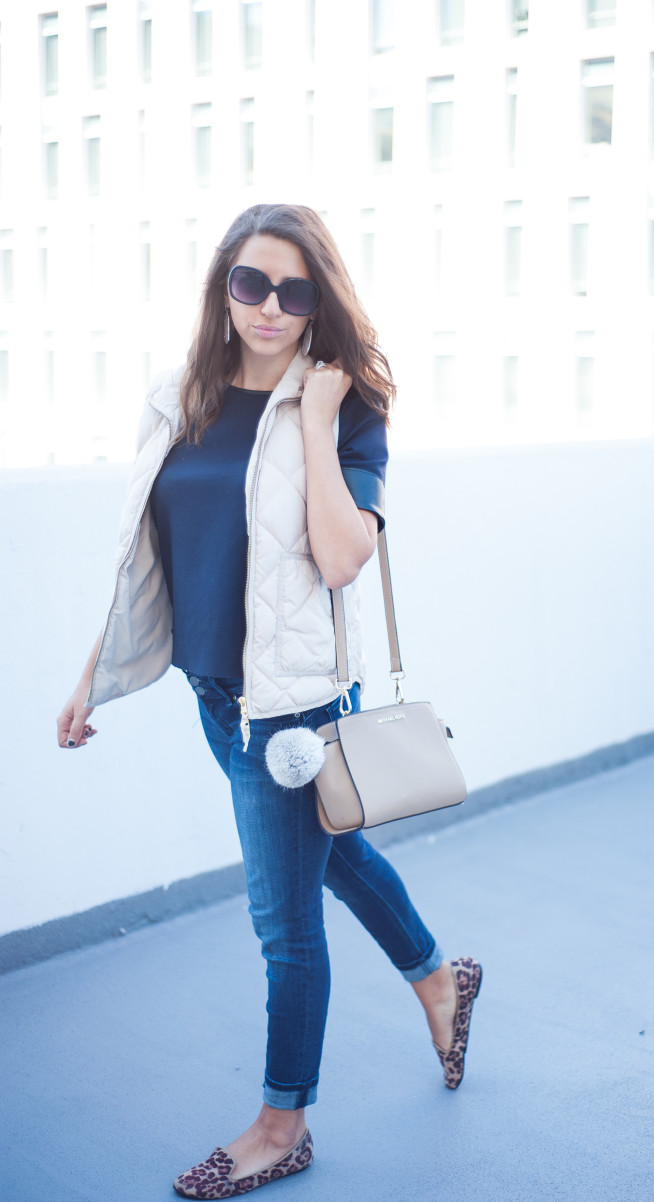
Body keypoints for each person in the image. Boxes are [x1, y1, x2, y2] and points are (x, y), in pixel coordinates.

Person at [56, 204, 482, 1199]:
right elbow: (145, 558)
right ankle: (439, 978)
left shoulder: (347, 405)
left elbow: (341, 557)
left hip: (294, 708)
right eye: (251, 283)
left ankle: (282, 1125)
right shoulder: (181, 397)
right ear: (223, 286)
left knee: (284, 927)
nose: (270, 307)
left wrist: (320, 424)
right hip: (216, 694)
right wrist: (92, 673)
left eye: (295, 291)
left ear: (317, 302)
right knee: (333, 855)